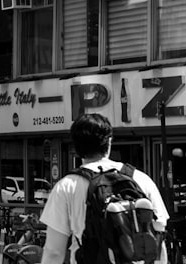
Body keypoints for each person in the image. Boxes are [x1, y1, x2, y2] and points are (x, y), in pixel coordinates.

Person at [39, 113, 169, 264]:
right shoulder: (140, 179)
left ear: (76, 147)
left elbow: (54, 252)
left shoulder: (66, 187)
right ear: (109, 143)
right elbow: (159, 240)